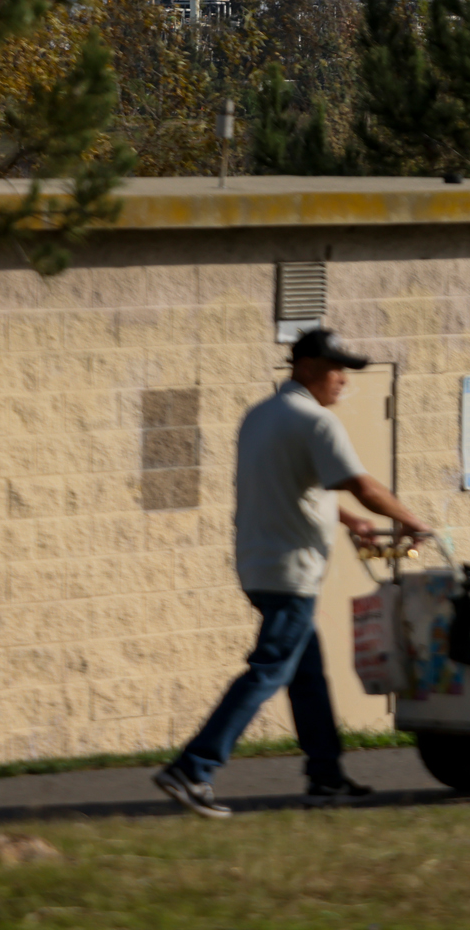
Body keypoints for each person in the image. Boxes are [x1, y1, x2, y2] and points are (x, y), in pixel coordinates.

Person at [153, 329, 434, 818]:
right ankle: (192, 769)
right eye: (334, 368)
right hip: (291, 573)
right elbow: (362, 485)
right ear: (304, 366)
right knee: (269, 671)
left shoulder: (259, 416)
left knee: (305, 675)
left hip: (258, 564)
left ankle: (326, 775)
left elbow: (289, 486)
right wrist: (413, 521)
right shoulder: (315, 421)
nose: (342, 380)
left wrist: (347, 520)